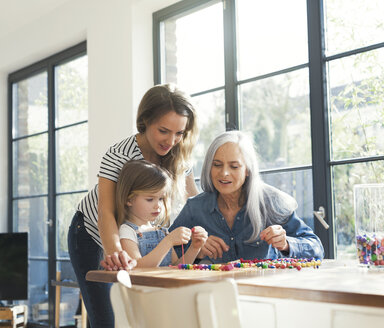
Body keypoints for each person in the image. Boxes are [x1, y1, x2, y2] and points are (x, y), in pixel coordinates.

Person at [67, 84, 199, 327]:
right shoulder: (119, 155)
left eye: (179, 133)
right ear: (145, 121)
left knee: (141, 315)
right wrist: (114, 252)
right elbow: (106, 212)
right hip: (92, 233)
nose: (172, 140)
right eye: (163, 130)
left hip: (138, 236)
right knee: (108, 318)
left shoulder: (180, 155)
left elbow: (194, 200)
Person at [169, 130, 324, 263]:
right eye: (217, 165)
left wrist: (286, 244)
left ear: (248, 170)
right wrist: (195, 250)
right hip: (216, 294)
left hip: (266, 292)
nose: (224, 173)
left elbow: (316, 248)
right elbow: (165, 250)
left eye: (234, 166)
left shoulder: (271, 202)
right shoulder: (195, 208)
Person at [116, 160, 207, 267]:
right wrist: (168, 242)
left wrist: (194, 248)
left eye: (161, 199)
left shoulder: (162, 233)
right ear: (129, 200)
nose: (158, 205)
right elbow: (137, 267)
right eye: (150, 199)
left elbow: (176, 267)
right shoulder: (127, 231)